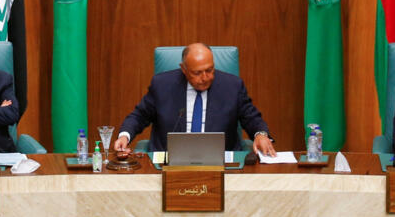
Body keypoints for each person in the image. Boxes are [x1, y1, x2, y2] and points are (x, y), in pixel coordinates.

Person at [114, 43, 276, 156]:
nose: (205, 77)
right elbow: (139, 116)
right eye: (197, 73)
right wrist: (124, 136)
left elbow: (252, 118)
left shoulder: (232, 86)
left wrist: (260, 134)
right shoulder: (162, 85)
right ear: (184, 69)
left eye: (209, 70)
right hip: (169, 163)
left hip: (220, 163)